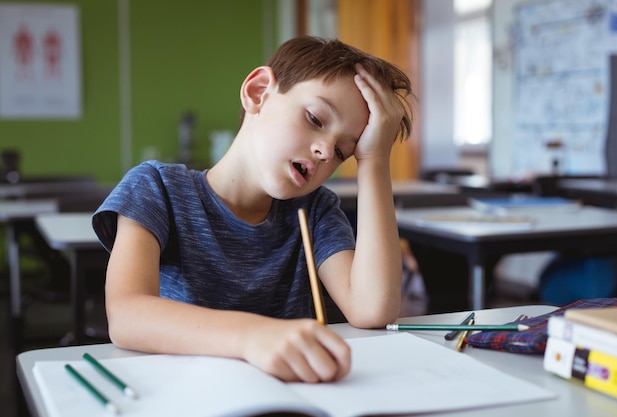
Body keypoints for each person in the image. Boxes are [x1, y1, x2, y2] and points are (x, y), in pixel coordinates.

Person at [92, 36, 413, 384]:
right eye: (315, 118)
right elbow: (126, 316)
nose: (324, 150)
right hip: (185, 393)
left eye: (342, 152)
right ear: (258, 92)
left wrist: (375, 159)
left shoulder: (315, 208)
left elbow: (373, 309)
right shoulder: (157, 189)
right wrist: (253, 336)